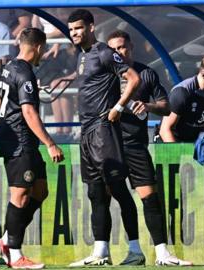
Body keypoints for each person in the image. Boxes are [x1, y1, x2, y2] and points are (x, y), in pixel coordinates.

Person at [106, 30, 192, 266]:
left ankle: (162, 253)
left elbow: (166, 107)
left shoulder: (146, 73)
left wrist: (148, 106)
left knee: (150, 198)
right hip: (109, 145)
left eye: (122, 47)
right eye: (113, 49)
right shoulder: (105, 74)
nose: (118, 52)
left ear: (131, 47)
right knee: (113, 197)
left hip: (135, 144)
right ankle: (132, 251)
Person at [63, 9, 141, 267]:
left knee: (118, 189)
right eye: (71, 29)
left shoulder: (104, 52)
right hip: (86, 131)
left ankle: (135, 250)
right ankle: (101, 252)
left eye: (78, 28)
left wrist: (118, 107)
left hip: (103, 129)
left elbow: (133, 78)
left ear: (91, 27)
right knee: (96, 193)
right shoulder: (82, 55)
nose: (74, 33)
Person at [0, 27, 64, 269]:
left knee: (40, 191)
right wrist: (51, 143)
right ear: (40, 47)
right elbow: (29, 111)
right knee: (20, 196)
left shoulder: (10, 67)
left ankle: (5, 239)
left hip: (22, 141)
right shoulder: (25, 73)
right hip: (19, 141)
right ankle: (14, 254)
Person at [159, 55, 204, 142]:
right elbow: (165, 130)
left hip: (191, 143)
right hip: (170, 145)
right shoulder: (182, 93)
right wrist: (177, 154)